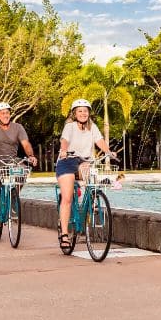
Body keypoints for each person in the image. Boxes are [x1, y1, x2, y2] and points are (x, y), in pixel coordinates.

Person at [55, 99, 114, 249]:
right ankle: (64, 234)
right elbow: (64, 140)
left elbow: (99, 140)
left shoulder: (92, 127)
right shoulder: (70, 126)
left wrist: (108, 151)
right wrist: (63, 151)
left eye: (85, 111)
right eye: (80, 111)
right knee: (67, 197)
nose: (83, 113)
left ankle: (92, 200)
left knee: (91, 173)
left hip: (84, 162)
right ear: (74, 113)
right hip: (67, 161)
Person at [0, 102, 38, 235]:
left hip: (12, 160)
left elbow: (25, 143)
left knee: (24, 169)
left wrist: (30, 156)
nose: (6, 115)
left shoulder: (18, 127)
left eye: (7, 113)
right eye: (3, 113)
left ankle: (14, 194)